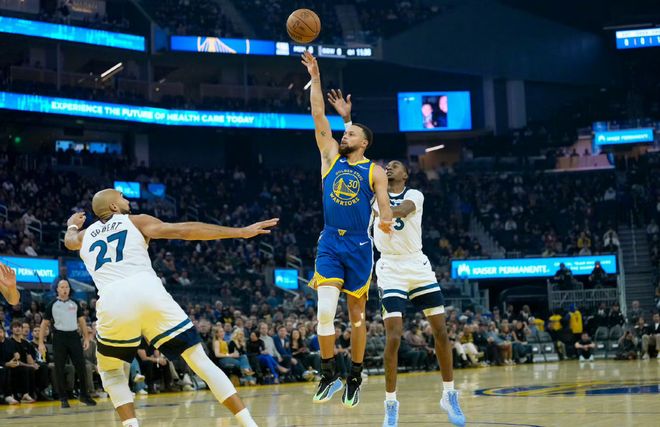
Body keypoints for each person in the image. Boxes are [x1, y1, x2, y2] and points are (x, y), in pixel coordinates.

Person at [63, 189, 277, 427]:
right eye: (122, 197)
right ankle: (248, 423)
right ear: (113, 207)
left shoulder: (84, 235)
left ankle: (131, 425)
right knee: (199, 359)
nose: (127, 200)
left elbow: (69, 242)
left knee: (111, 371)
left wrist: (72, 225)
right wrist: (240, 232)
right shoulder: (135, 221)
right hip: (147, 290)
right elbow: (183, 230)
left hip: (112, 299)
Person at [301, 51, 393, 408]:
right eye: (344, 131)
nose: (344, 133)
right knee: (324, 312)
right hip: (329, 241)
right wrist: (315, 76)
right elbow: (317, 114)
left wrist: (385, 219)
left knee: (357, 318)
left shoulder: (375, 171)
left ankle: (355, 375)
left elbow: (383, 203)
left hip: (359, 246)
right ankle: (328, 373)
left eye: (350, 132)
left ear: (363, 143)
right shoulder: (329, 157)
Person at [368, 159, 465, 426]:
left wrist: (383, 214)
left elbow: (401, 210)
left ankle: (449, 395)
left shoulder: (414, 194)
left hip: (417, 264)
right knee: (394, 336)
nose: (389, 168)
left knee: (441, 331)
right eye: (387, 166)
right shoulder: (375, 197)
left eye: (395, 165)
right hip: (390, 267)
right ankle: (391, 404)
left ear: (406, 174)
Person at [38, 279, 96, 408]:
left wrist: (86, 338)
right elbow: (44, 324)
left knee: (81, 366)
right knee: (59, 368)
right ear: (57, 289)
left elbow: (82, 322)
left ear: (69, 289)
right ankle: (63, 398)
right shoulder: (52, 304)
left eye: (67, 287)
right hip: (59, 337)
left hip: (74, 336)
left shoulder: (75, 303)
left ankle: (84, 395)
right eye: (62, 287)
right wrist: (41, 342)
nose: (64, 289)